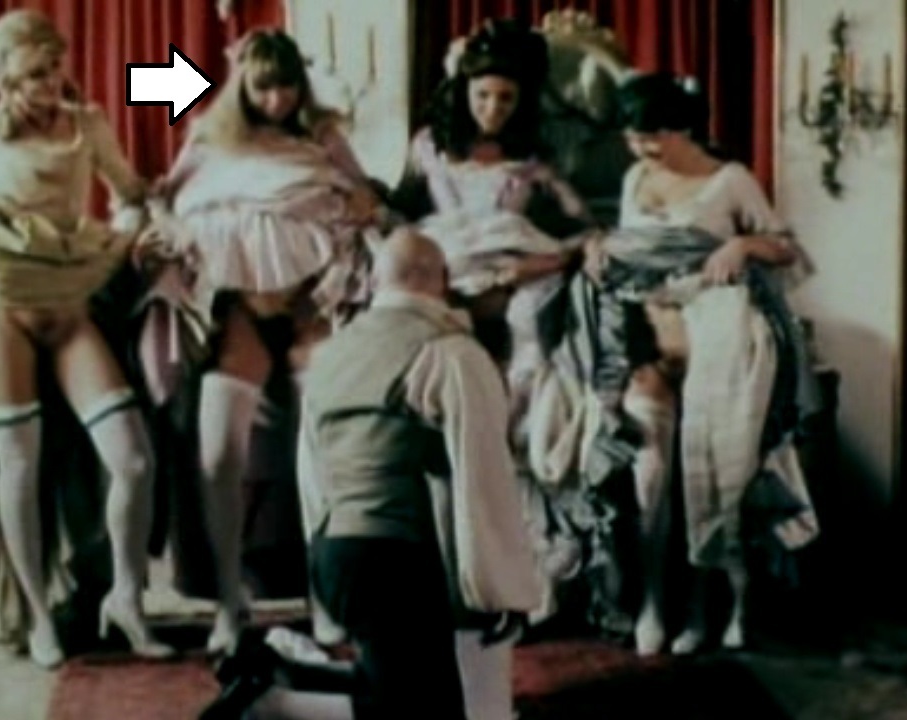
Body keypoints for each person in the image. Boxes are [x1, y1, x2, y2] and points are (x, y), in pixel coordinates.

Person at [204, 227, 538, 720]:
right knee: (414, 709)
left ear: (376, 281)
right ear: (442, 279)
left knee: (407, 697)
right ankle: (274, 702)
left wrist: (322, 584)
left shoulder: (330, 355)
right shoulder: (452, 352)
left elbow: (312, 474)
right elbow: (483, 477)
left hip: (337, 553)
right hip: (400, 559)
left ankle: (280, 688)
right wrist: (498, 588)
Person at [137, 28, 385, 655]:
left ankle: (325, 598)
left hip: (311, 297)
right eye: (265, 88)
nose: (277, 100)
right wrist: (164, 233)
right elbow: (167, 200)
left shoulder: (322, 136)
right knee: (219, 451)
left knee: (324, 445)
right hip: (237, 302)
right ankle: (229, 600)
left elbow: (367, 199)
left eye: (287, 87)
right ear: (244, 85)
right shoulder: (209, 133)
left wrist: (361, 206)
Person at [581, 72, 820, 656]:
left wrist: (743, 245)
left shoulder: (730, 180)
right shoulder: (636, 177)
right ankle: (652, 602)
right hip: (651, 343)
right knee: (652, 477)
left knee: (716, 476)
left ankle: (709, 608)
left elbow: (788, 249)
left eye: (651, 136)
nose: (640, 148)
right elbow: (634, 257)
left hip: (718, 347)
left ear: (683, 128)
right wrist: (600, 249)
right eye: (632, 137)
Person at [0, 9, 171, 667]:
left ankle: (127, 599)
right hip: (4, 307)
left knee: (133, 459)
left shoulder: (88, 123)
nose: (49, 83)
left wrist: (132, 234)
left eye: (54, 68)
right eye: (34, 74)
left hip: (70, 305)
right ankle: (39, 616)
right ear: (5, 77)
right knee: (19, 463)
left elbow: (129, 193)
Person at [392, 19, 592, 424]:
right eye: (482, 95)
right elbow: (402, 208)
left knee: (528, 317)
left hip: (509, 259)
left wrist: (522, 270)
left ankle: (517, 421)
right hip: (447, 258)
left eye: (506, 98)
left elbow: (576, 225)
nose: (492, 109)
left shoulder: (533, 156)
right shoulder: (430, 145)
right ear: (463, 90)